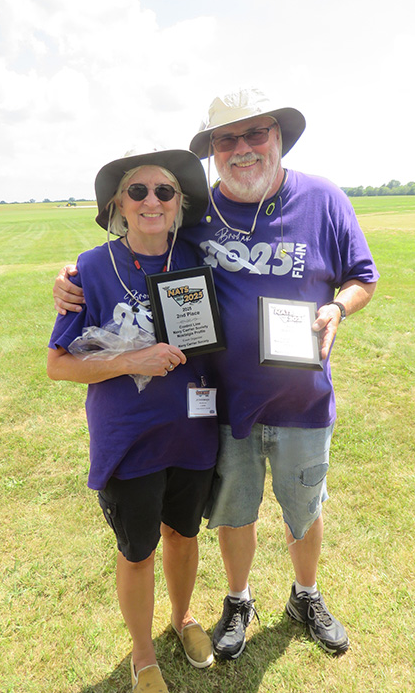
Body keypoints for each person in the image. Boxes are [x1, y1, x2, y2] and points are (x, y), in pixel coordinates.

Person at [53, 88, 379, 661]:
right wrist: (73, 276)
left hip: (302, 396)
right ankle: (238, 599)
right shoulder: (199, 215)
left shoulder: (325, 199)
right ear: (213, 153)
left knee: (305, 507)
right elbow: (144, 243)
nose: (243, 149)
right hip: (227, 402)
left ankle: (306, 595)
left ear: (278, 138)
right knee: (236, 510)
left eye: (256, 134)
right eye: (227, 139)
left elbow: (362, 277)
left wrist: (339, 307)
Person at [47, 147, 218, 693]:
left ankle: (183, 617)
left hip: (194, 430)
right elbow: (59, 364)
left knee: (184, 535)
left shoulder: (198, 257)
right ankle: (143, 655)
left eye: (164, 192)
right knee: (138, 551)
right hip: (129, 439)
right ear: (118, 204)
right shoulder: (90, 269)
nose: (151, 201)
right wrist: (131, 362)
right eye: (138, 191)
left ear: (178, 206)